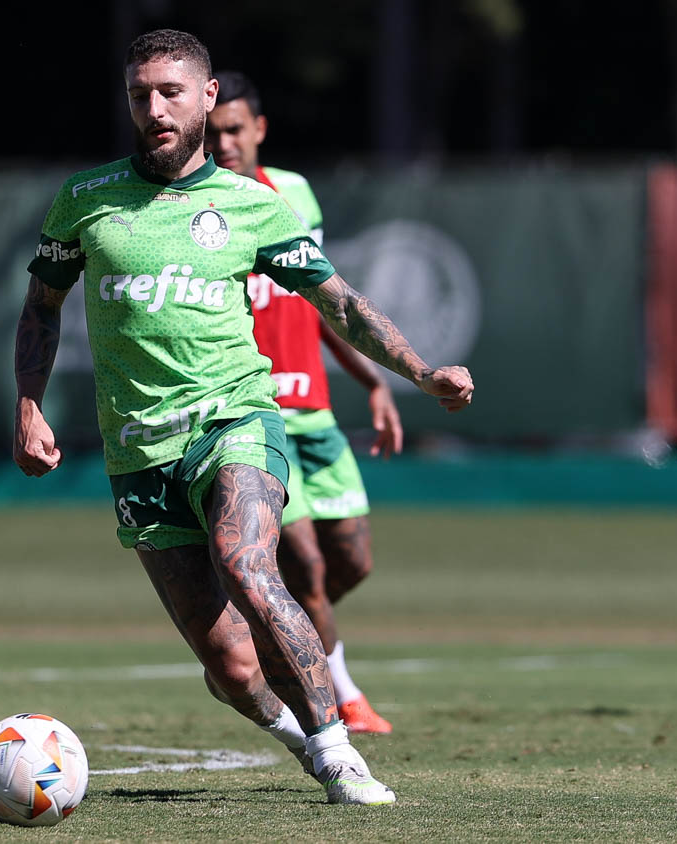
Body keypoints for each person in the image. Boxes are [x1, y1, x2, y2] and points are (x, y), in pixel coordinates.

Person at [13, 29, 474, 805]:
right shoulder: (85, 199)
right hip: (137, 451)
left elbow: (340, 305)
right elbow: (40, 309)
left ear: (207, 98)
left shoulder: (253, 204)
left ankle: (341, 755)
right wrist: (28, 405)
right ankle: (303, 740)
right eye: (139, 94)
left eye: (170, 92)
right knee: (227, 666)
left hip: (237, 421)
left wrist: (420, 372)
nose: (154, 109)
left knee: (248, 563)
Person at [205, 70, 397, 734]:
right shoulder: (199, 210)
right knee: (307, 566)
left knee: (352, 560)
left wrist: (372, 380)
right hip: (260, 419)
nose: (224, 142)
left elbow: (321, 300)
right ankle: (344, 696)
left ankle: (264, 633)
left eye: (235, 129)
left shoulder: (293, 194)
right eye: (214, 131)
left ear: (259, 129)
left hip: (315, 409)